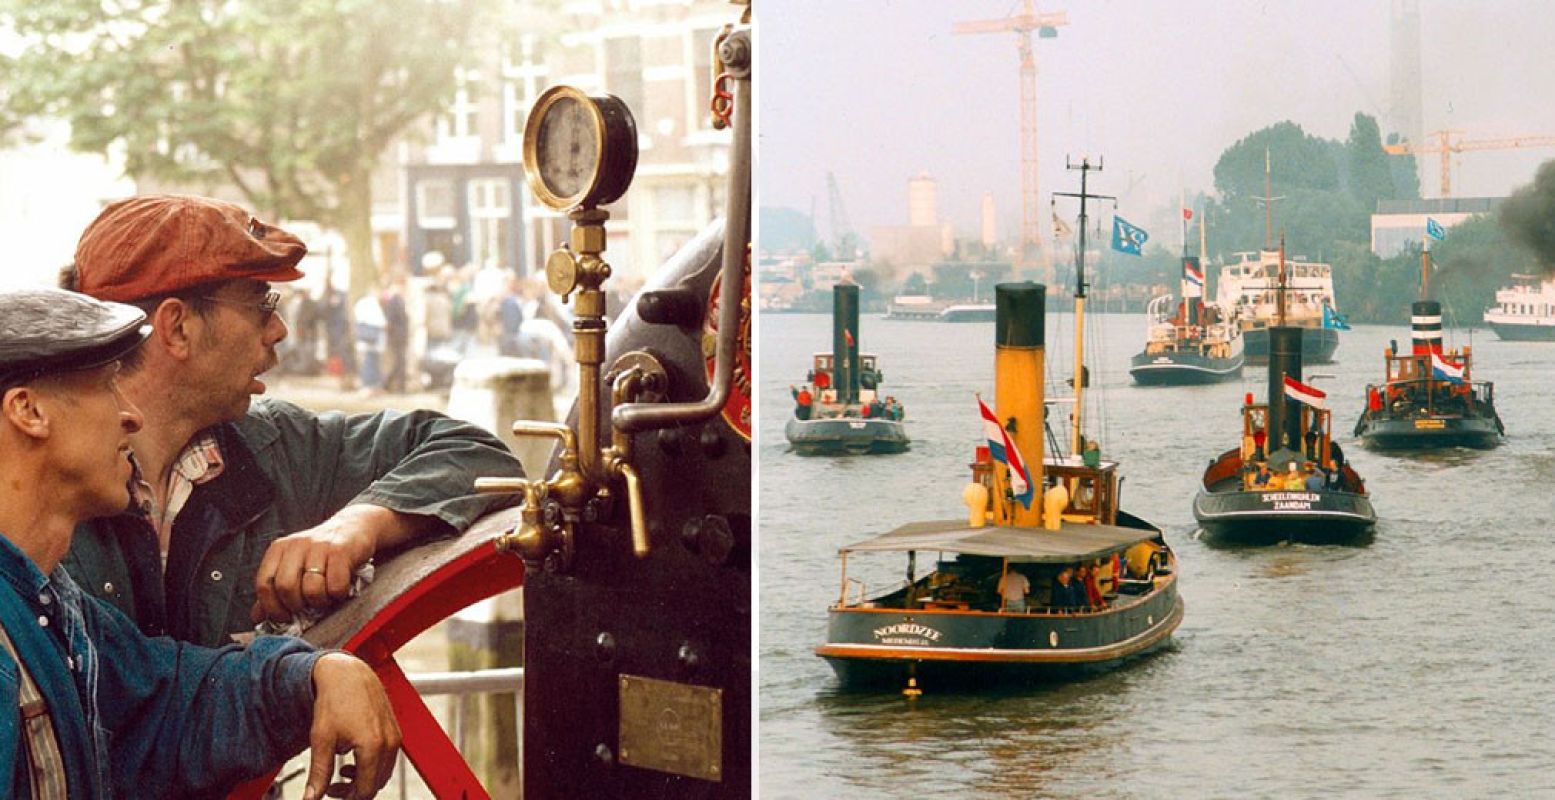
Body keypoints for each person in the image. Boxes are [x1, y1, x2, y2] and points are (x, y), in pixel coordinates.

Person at [61, 194, 524, 647]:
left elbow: (478, 456)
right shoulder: (39, 477)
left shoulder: (279, 445)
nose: (279, 329)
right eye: (261, 303)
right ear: (178, 328)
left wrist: (355, 526)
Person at [0, 287, 400, 799]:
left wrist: (312, 675)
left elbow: (165, 701)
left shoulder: (54, 604)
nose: (131, 415)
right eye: (106, 387)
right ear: (29, 411)